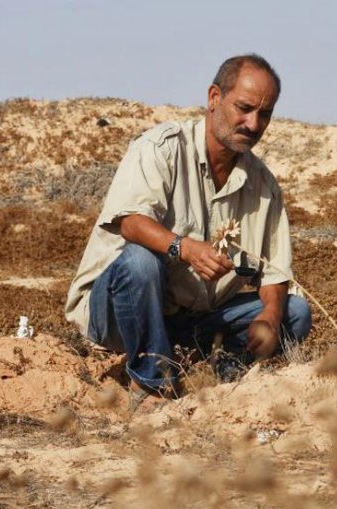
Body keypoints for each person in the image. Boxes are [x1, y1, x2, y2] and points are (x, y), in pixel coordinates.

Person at [64, 54, 312, 400]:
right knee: (140, 261)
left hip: (190, 323)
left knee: (294, 312)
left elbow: (275, 274)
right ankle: (153, 384)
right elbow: (131, 223)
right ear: (214, 98)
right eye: (244, 108)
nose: (253, 124)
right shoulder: (160, 148)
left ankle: (224, 383)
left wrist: (269, 318)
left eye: (264, 114)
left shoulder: (264, 186)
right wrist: (186, 248)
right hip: (119, 312)